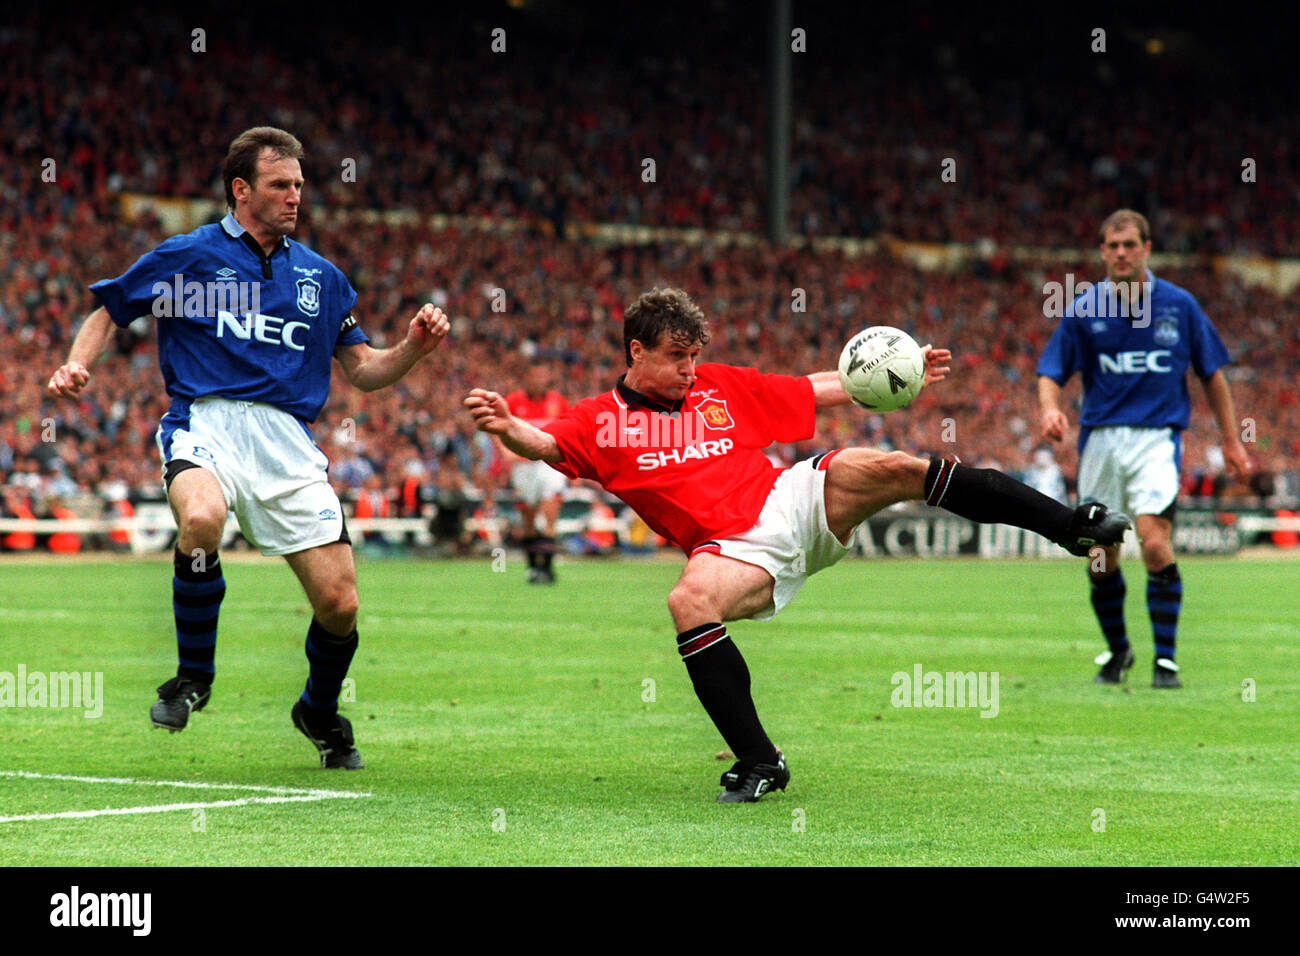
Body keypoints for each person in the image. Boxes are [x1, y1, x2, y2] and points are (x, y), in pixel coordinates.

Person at [466, 287, 1129, 802]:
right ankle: (759, 760)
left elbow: (813, 388)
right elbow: (545, 444)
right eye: (676, 357)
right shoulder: (598, 421)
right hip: (731, 550)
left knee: (891, 466)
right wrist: (506, 427)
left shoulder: (718, 385)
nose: (691, 369)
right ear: (635, 352)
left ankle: (1071, 525)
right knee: (688, 601)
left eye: (695, 354)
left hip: (789, 499)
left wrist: (899, 373)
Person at [46, 127, 450, 767]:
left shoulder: (322, 278)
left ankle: (318, 710)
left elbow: (365, 370)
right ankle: (192, 678)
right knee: (201, 518)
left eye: (298, 185)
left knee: (340, 604)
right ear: (241, 189)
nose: (294, 197)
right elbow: (110, 309)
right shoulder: (189, 258)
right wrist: (76, 365)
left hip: (288, 443)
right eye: (279, 185)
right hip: (205, 425)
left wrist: (412, 350)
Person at [1037, 209, 1251, 689]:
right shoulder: (1083, 309)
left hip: (1157, 437)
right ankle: (1118, 652)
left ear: (1147, 248)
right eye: (1112, 246)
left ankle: (1167, 661)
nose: (1120, 253)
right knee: (1099, 556)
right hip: (1100, 441)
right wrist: (1049, 408)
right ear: (1101, 252)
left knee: (1155, 542)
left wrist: (1233, 441)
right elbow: (1050, 371)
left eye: (1129, 244)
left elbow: (1212, 374)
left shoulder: (1180, 306)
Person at [504, 364, 570, 582]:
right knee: (528, 518)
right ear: (527, 377)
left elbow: (570, 430)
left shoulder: (557, 402)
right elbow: (497, 427)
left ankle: (548, 569)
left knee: (549, 513)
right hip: (523, 466)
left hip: (550, 464)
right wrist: (506, 451)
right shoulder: (514, 402)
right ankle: (533, 568)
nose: (539, 379)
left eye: (543, 375)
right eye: (535, 375)